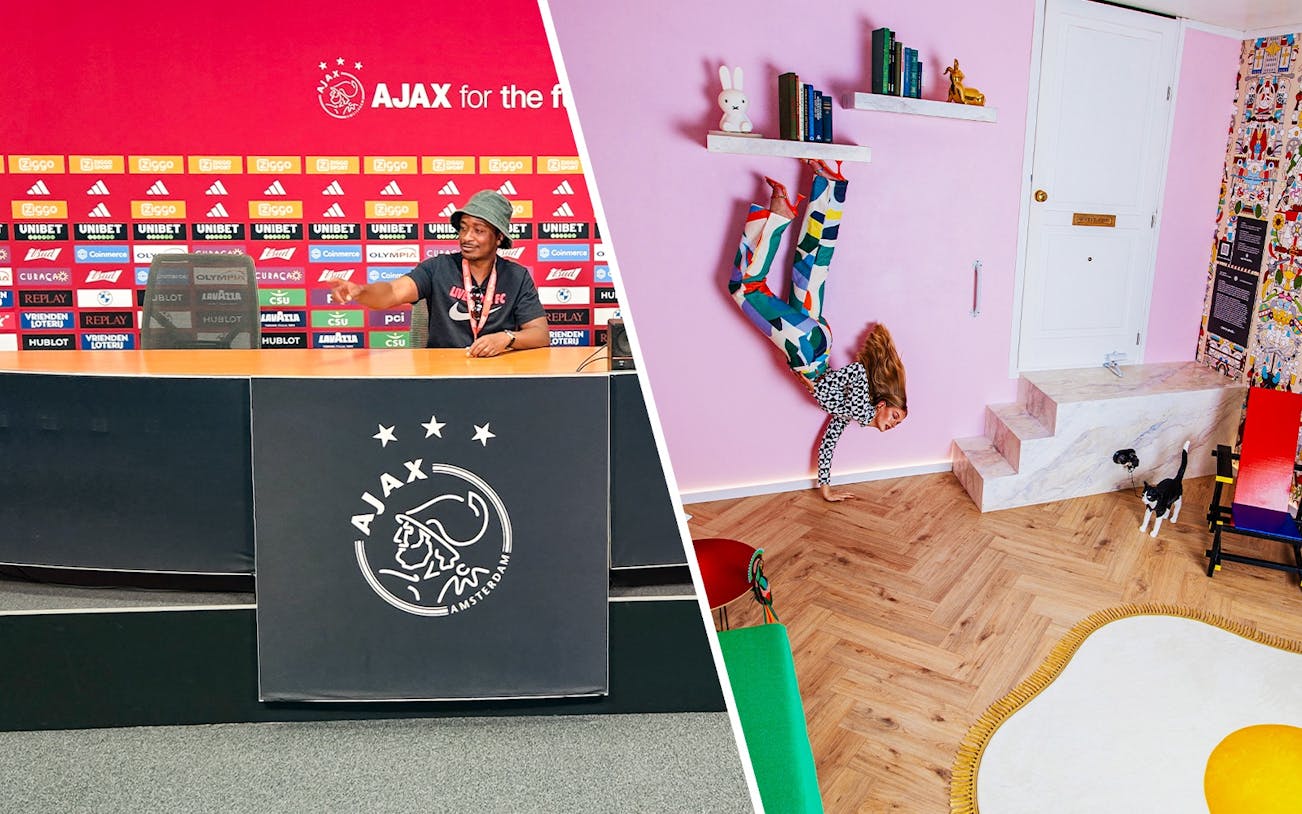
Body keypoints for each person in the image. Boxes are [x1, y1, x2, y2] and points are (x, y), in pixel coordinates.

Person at [728, 159, 907, 502]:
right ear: (883, 404)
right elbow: (857, 372)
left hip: (817, 342)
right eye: (896, 417)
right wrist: (817, 386)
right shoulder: (861, 408)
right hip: (806, 350)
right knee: (744, 288)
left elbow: (829, 440)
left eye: (896, 424)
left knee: (810, 266)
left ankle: (830, 186)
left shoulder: (853, 413)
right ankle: (779, 215)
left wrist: (826, 488)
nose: (893, 424)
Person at [326, 189, 550, 356]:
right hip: (442, 374)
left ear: (499, 237)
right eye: (463, 228)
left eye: (478, 230)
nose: (467, 237)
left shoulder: (517, 276)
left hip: (498, 375)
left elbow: (540, 334)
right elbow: (392, 292)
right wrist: (361, 292)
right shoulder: (437, 268)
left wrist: (506, 338)